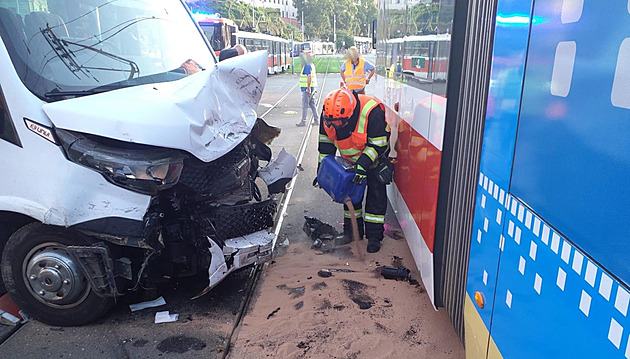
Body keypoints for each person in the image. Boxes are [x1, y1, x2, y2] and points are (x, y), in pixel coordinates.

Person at [316, 88, 392, 253]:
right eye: (333, 123)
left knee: (376, 198)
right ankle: (351, 233)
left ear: (351, 114)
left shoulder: (372, 112)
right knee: (350, 198)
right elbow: (325, 144)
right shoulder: (328, 115)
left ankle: (374, 238)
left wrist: (362, 165)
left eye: (341, 123)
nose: (336, 126)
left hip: (374, 160)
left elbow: (378, 143)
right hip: (350, 161)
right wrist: (322, 171)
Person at [296, 53, 318, 127]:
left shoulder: (307, 66)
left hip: (307, 89)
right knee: (312, 104)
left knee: (305, 105)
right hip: (312, 88)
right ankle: (316, 120)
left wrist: (308, 87)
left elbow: (309, 76)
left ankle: (303, 121)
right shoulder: (311, 64)